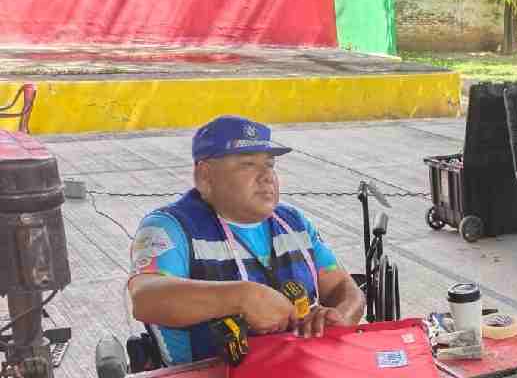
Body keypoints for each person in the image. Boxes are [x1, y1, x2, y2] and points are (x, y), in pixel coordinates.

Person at [128, 115, 365, 365]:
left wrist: (341, 315)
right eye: (248, 164)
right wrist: (241, 297)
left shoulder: (293, 222)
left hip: (298, 374)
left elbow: (342, 286)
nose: (266, 177)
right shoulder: (169, 226)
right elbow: (145, 298)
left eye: (270, 165)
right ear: (206, 177)